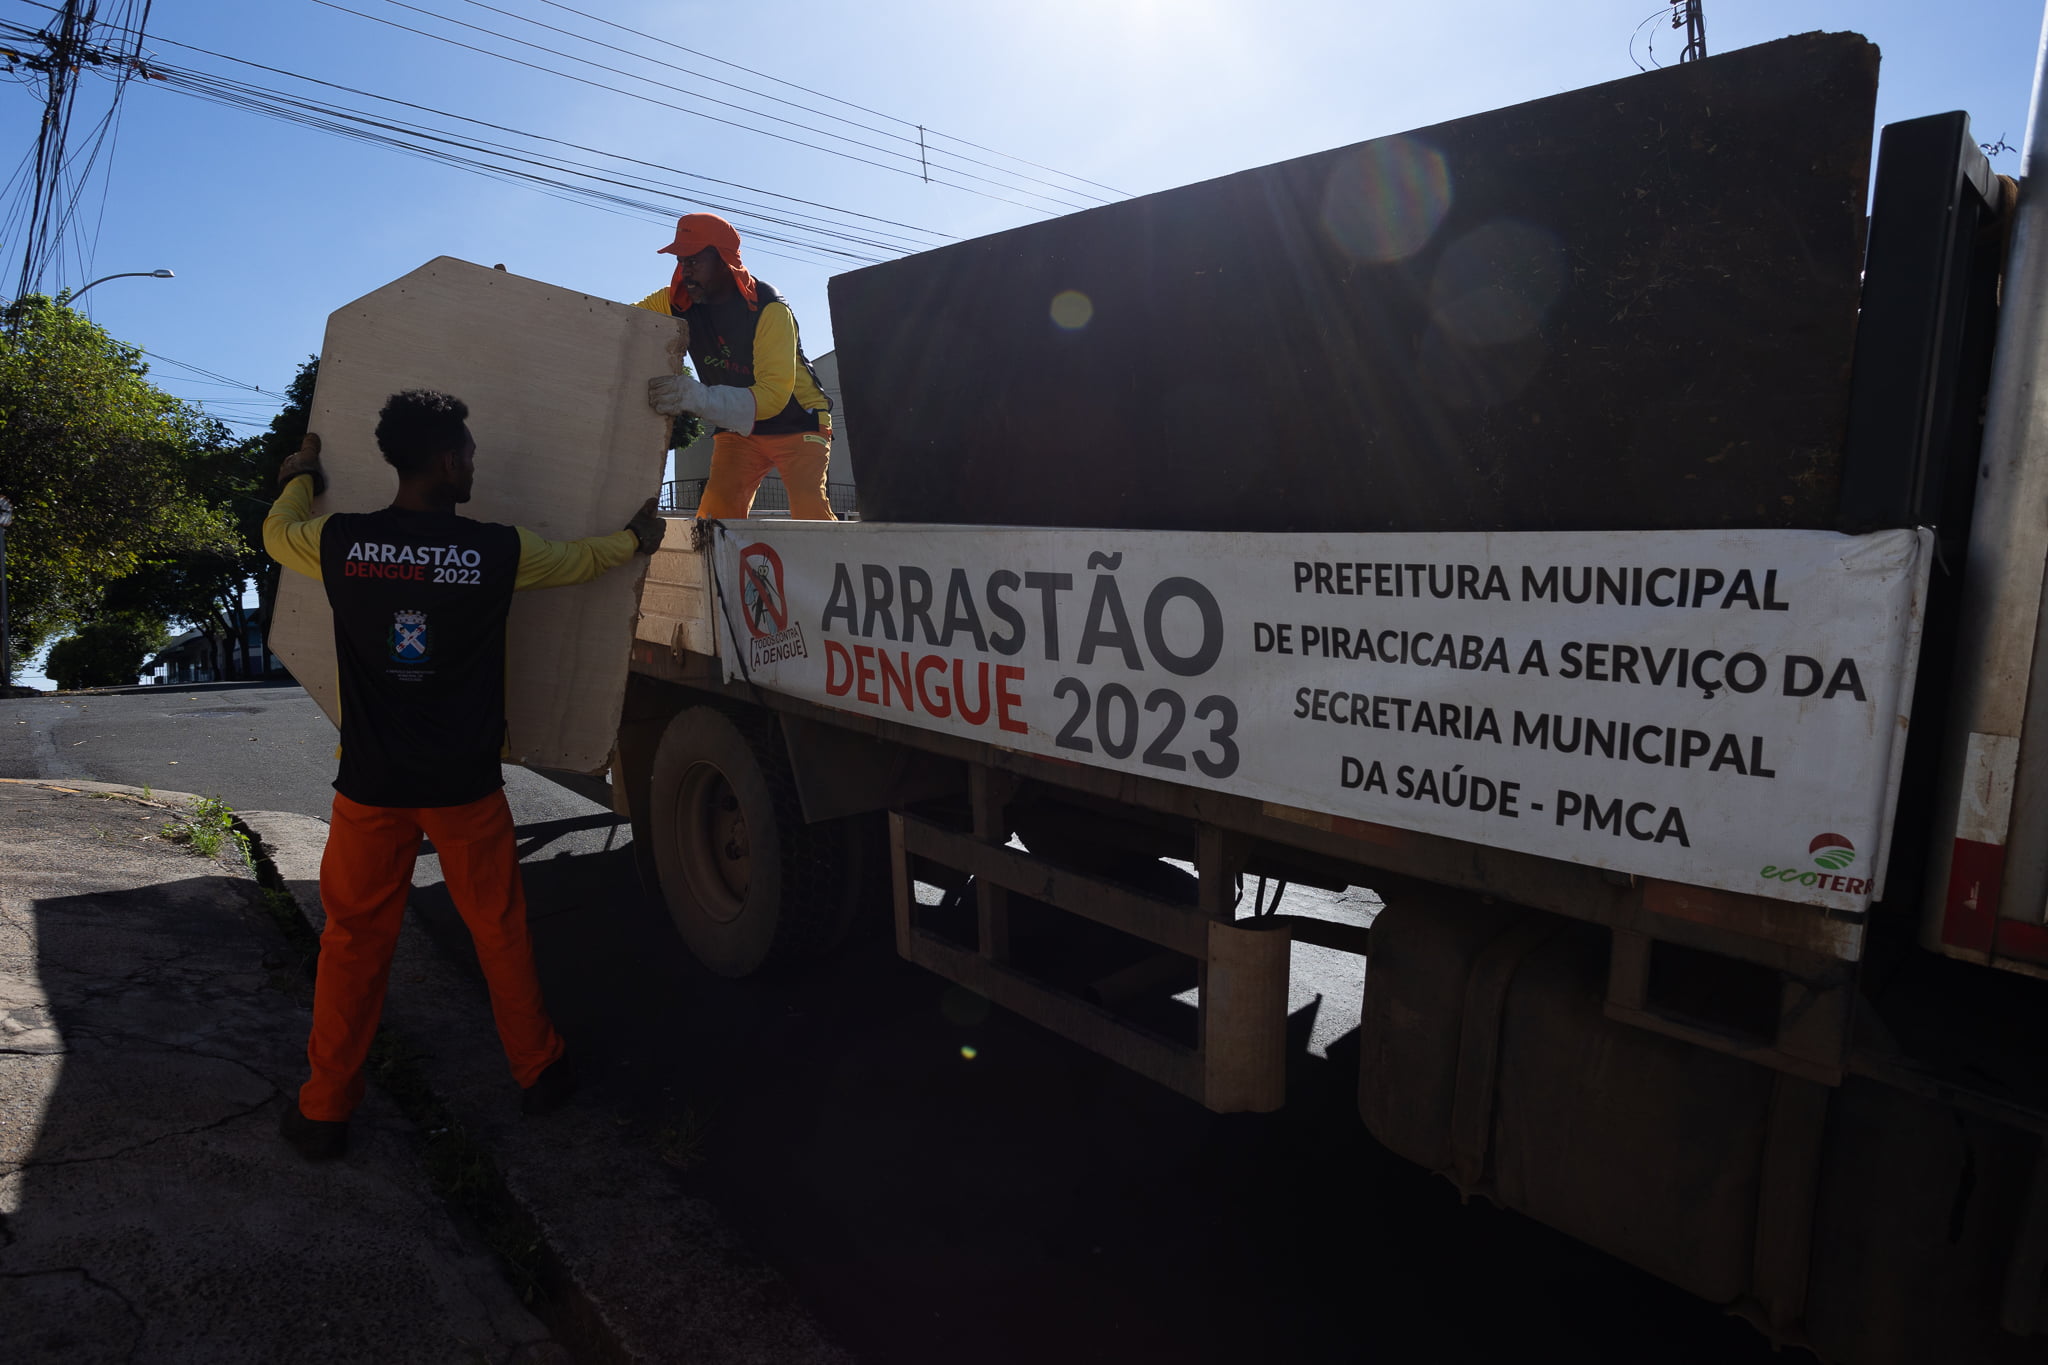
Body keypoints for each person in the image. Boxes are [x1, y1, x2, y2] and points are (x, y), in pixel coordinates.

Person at [262, 389, 667, 1160]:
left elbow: (276, 532)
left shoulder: (341, 542)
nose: (475, 464)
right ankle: (540, 1071)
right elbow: (584, 560)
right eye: (471, 454)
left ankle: (323, 1110)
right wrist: (635, 539)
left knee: (351, 942)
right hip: (465, 789)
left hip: (371, 790)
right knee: (499, 932)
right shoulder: (495, 551)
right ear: (448, 461)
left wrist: (301, 474)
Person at [639, 212, 838, 520]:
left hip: (798, 420)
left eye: (694, 261)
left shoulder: (768, 308)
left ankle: (829, 566)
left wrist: (698, 398)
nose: (685, 271)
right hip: (740, 428)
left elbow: (773, 397)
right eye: (681, 261)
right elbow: (623, 322)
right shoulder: (674, 302)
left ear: (724, 261)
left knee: (809, 509)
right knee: (714, 519)